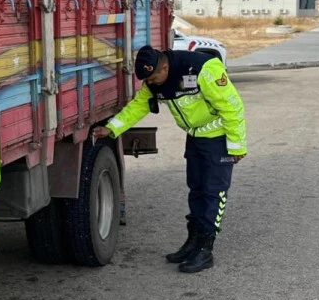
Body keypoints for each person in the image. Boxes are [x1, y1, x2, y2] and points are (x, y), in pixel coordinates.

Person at [91, 44, 246, 273]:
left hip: (219, 138)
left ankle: (205, 249)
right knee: (196, 189)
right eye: (148, 81)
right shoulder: (154, 81)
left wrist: (236, 145)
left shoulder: (203, 69)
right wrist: (112, 128)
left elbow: (232, 107)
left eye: (153, 78)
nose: (151, 84)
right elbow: (138, 106)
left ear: (164, 67)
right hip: (195, 137)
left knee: (213, 192)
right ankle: (193, 242)